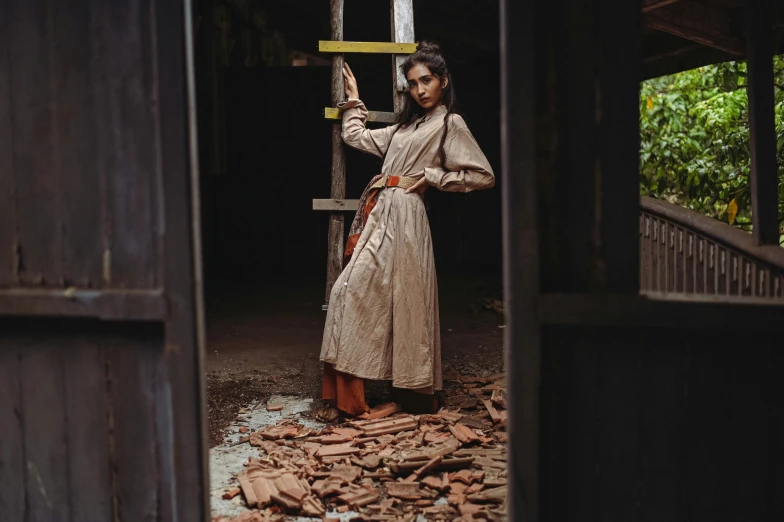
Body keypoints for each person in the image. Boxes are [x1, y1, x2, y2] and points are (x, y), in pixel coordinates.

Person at [319, 41, 494, 417]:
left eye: (427, 80)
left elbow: (483, 176)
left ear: (443, 81)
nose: (420, 90)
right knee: (347, 293)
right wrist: (354, 99)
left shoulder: (451, 123)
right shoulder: (404, 127)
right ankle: (347, 399)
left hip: (410, 218)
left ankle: (413, 394)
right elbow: (356, 137)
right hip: (381, 213)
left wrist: (433, 177)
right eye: (413, 83)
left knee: (408, 302)